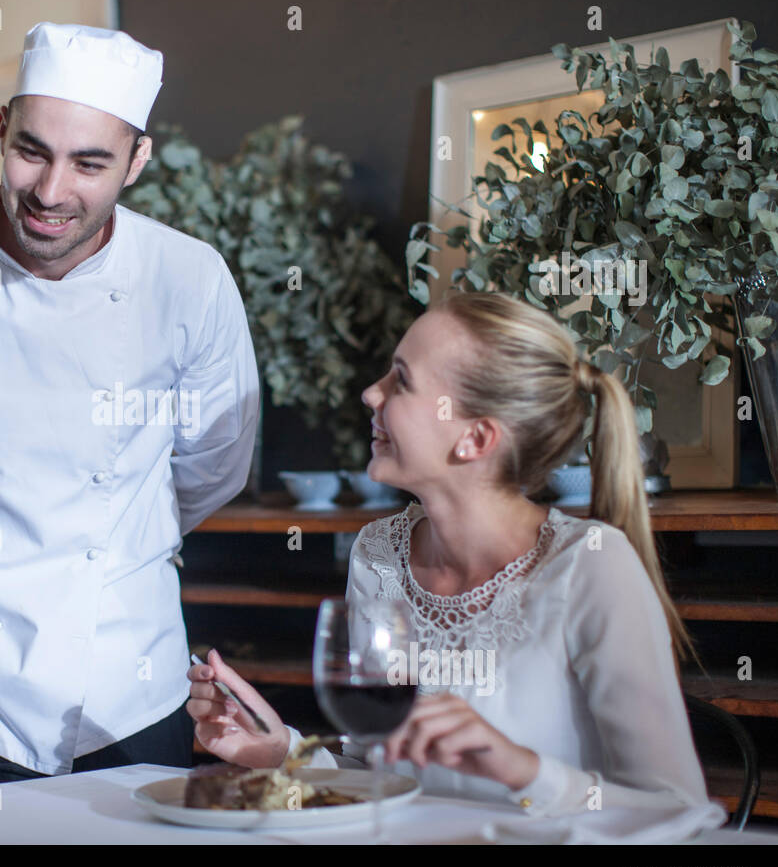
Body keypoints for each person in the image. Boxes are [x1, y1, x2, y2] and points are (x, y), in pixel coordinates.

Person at [0, 22, 260, 793]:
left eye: (90, 162)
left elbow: (211, 468)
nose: (52, 191)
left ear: (137, 161)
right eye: (32, 150)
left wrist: (113, 546)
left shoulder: (190, 279)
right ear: (1, 128)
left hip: (127, 687)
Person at [188, 289, 721, 819]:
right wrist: (282, 751)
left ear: (476, 438)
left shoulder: (592, 566)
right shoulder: (377, 555)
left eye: (402, 380)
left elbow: (676, 811)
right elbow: (380, 779)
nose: (372, 394)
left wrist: (522, 769)